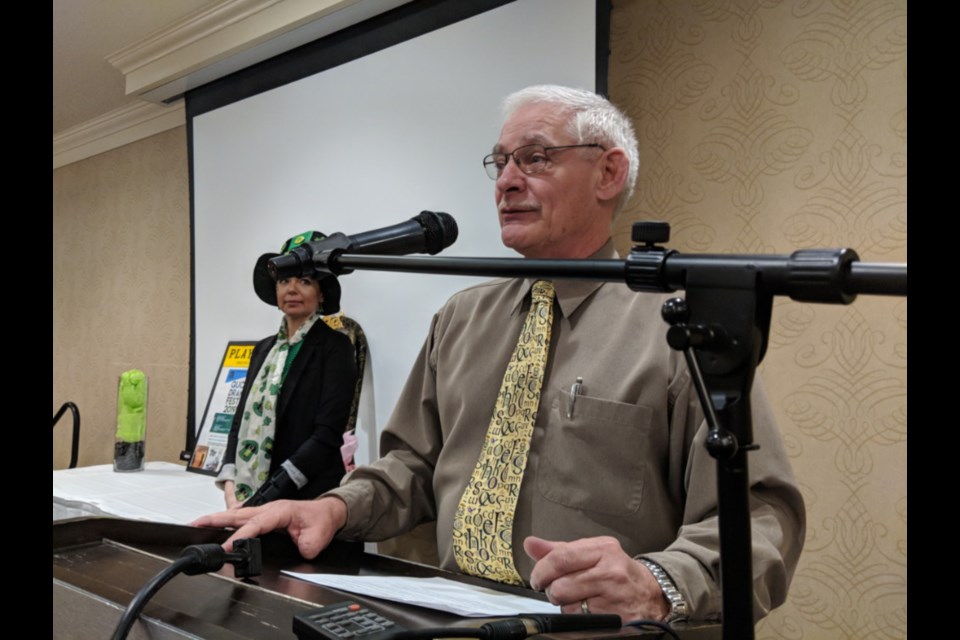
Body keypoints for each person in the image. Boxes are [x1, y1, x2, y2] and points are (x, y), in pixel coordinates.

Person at [195, 85, 805, 624]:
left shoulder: (678, 328)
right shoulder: (461, 318)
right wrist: (331, 508)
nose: (508, 180)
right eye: (501, 162)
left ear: (608, 174)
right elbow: (413, 467)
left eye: (536, 158)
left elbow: (760, 517)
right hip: (454, 614)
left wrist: (657, 584)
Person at [216, 231, 359, 508]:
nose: (291, 289)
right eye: (284, 281)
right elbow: (240, 420)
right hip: (250, 498)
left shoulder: (336, 347)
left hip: (307, 499)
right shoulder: (263, 349)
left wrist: (268, 495)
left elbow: (326, 434)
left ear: (321, 294)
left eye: (304, 281)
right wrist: (231, 484)